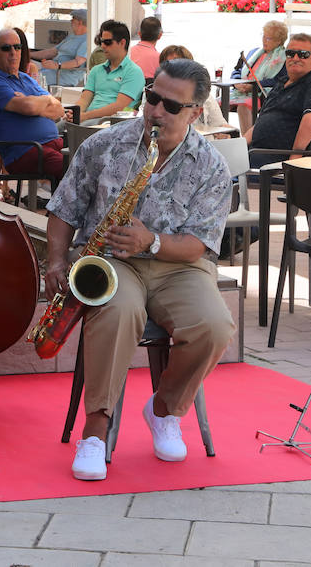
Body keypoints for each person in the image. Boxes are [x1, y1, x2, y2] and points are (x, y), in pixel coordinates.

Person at [45, 58, 234, 481]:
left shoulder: (212, 166)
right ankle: (95, 431)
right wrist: (56, 260)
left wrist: (152, 241)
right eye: (152, 97)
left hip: (179, 266)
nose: (155, 111)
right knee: (116, 312)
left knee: (215, 327)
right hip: (113, 261)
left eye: (171, 106)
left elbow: (200, 245)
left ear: (195, 113)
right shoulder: (104, 145)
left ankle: (164, 409)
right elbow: (63, 208)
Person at [0, 28, 66, 186]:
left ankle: (60, 209)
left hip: (52, 143)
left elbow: (58, 110)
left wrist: (33, 100)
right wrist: (44, 100)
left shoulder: (27, 79)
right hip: (24, 151)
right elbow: (29, 108)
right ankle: (59, 210)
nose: (13, 52)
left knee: (89, 159)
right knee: (72, 169)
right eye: (6, 48)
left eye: (17, 47)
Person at [243, 33, 311, 157]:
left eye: (303, 54)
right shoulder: (281, 82)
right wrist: (239, 147)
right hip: (254, 153)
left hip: (278, 160)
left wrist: (294, 159)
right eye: (290, 53)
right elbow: (261, 121)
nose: (295, 58)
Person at [75, 20, 146, 122]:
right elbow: (84, 99)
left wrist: (86, 116)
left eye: (107, 42)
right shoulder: (96, 70)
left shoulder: (134, 72)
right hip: (89, 119)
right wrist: (74, 113)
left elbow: (119, 107)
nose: (103, 46)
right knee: (56, 126)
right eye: (101, 42)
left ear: (122, 43)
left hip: (110, 123)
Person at [230, 19, 288, 131]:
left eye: (268, 38)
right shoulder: (253, 52)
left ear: (279, 41)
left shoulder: (284, 58)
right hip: (239, 90)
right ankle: (222, 140)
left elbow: (280, 80)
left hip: (262, 95)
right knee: (213, 105)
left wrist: (254, 85)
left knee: (243, 106)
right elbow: (237, 70)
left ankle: (247, 144)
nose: (264, 41)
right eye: (264, 36)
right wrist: (237, 82)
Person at [159, 44, 229, 136]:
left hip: (206, 146)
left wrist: (228, 134)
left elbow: (220, 125)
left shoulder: (204, 97)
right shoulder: (156, 97)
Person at [30, 8, 89, 87]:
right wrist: (29, 54)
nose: (70, 21)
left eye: (73, 19)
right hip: (52, 71)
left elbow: (78, 62)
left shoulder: (86, 40)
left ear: (80, 22)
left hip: (63, 76)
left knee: (29, 78)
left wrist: (58, 65)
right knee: (26, 70)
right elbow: (51, 52)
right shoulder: (71, 37)